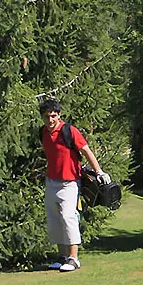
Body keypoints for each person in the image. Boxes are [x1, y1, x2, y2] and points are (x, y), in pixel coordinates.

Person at [38, 98, 110, 272]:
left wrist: (99, 172)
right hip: (51, 182)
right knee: (55, 219)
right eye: (47, 116)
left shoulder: (68, 131)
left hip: (69, 183)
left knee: (68, 217)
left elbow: (86, 150)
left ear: (59, 115)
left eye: (53, 116)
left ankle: (73, 258)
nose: (50, 120)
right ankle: (62, 256)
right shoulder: (43, 132)